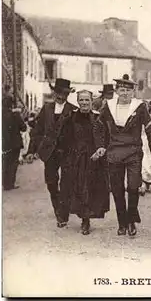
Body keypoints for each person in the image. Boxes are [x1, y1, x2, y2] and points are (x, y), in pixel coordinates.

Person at [97, 74, 151, 236]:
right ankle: (122, 223)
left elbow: (150, 129)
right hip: (114, 152)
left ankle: (131, 220)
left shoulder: (140, 107)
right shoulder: (107, 106)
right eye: (122, 90)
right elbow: (99, 128)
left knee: (133, 187)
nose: (125, 93)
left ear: (133, 92)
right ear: (116, 91)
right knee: (117, 189)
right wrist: (101, 146)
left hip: (133, 153)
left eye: (128, 91)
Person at [25, 79, 78, 228]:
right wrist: (31, 150)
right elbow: (37, 131)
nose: (61, 96)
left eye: (64, 93)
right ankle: (58, 210)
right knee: (51, 183)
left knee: (66, 183)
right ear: (54, 93)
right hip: (49, 153)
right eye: (58, 93)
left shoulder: (73, 110)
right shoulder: (46, 109)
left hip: (67, 153)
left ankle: (63, 214)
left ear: (68, 94)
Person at [58, 90, 110, 235]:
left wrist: (100, 151)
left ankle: (86, 220)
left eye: (87, 100)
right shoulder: (71, 118)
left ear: (91, 101)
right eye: (81, 100)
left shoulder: (98, 118)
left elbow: (105, 137)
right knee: (78, 189)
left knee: (89, 189)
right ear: (78, 101)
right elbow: (64, 138)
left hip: (93, 159)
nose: (84, 103)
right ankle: (81, 218)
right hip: (76, 159)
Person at [2, 95, 27, 190]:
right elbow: (23, 128)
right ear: (11, 104)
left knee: (4, 162)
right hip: (14, 143)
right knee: (13, 163)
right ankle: (10, 184)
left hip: (3, 143)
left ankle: (4, 183)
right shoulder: (15, 115)